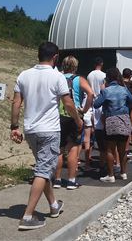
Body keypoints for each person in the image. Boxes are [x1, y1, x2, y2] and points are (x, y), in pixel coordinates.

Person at [10, 42, 82, 230]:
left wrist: (14, 126)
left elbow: (16, 103)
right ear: (55, 57)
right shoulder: (57, 77)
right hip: (49, 130)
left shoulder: (23, 75)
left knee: (45, 167)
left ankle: (53, 205)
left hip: (31, 130)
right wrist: (78, 120)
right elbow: (68, 104)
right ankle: (27, 216)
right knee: (42, 171)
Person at [54, 56, 93, 190]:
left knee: (59, 149)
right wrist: (85, 109)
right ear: (75, 66)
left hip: (57, 116)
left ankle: (57, 180)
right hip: (74, 115)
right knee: (73, 149)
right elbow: (91, 93)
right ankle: (71, 181)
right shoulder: (78, 79)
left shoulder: (57, 77)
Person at [93, 67, 132, 182]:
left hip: (111, 120)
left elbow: (96, 104)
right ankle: (123, 173)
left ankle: (111, 175)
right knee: (123, 149)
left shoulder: (106, 91)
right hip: (124, 119)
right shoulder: (124, 89)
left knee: (110, 149)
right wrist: (125, 108)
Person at [87, 57, 107, 175]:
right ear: (102, 64)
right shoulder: (103, 75)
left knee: (93, 130)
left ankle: (90, 158)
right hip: (101, 101)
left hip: (92, 101)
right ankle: (104, 160)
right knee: (103, 131)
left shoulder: (89, 75)